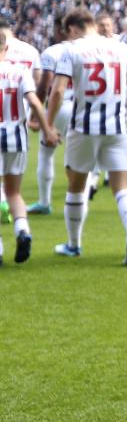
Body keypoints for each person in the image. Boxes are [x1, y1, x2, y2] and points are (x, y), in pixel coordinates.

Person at [46, 7, 127, 265]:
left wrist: (48, 124)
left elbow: (57, 91)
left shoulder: (72, 49)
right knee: (121, 188)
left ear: (72, 29)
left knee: (76, 186)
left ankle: (73, 244)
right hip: (116, 127)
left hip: (83, 127)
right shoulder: (121, 48)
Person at [0, 32, 58, 265]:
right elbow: (34, 101)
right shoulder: (19, 70)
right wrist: (47, 131)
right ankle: (22, 230)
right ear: (6, 48)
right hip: (16, 137)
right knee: (13, 192)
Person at [31, 15, 73, 216]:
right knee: (78, 156)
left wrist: (35, 113)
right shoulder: (86, 50)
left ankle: (44, 202)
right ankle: (83, 194)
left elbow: (45, 82)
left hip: (61, 106)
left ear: (59, 30)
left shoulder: (52, 51)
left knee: (46, 153)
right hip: (84, 108)